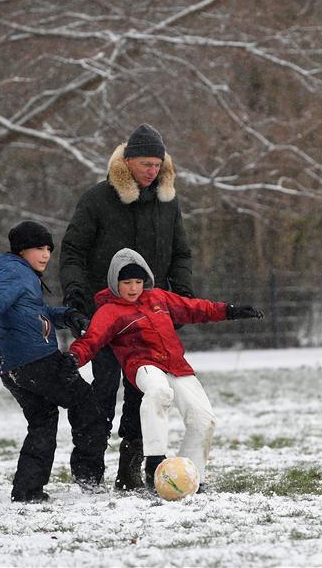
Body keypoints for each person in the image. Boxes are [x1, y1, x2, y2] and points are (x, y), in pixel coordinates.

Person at [60, 123, 195, 490]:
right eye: (145, 164)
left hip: (148, 318)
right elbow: (72, 250)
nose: (152, 171)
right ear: (128, 161)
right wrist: (74, 292)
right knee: (102, 389)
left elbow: (180, 252)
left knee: (145, 393)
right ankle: (88, 469)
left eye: (158, 164)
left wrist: (180, 293)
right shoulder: (98, 199)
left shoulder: (168, 204)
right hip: (104, 315)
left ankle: (131, 469)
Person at [69, 248, 263, 492]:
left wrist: (229, 310)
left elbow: (194, 308)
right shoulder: (110, 310)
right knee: (159, 393)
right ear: (115, 282)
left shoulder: (158, 298)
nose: (133, 288)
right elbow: (92, 339)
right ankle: (155, 461)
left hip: (176, 365)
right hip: (144, 365)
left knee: (204, 420)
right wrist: (74, 357)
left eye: (138, 282)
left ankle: (188, 478)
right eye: (126, 282)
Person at [0, 220, 106, 502]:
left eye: (48, 248)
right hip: (37, 360)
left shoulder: (19, 274)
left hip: (13, 368)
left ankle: (28, 490)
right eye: (38, 248)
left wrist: (66, 315)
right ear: (21, 251)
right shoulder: (14, 274)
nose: (45, 255)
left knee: (43, 418)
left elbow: (35, 311)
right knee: (86, 403)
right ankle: (88, 475)